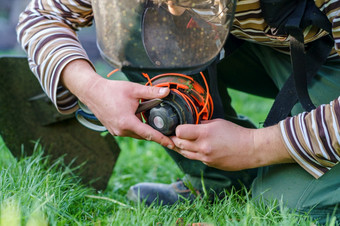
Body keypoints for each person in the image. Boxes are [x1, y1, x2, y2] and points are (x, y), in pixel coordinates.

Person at [17, 0, 340, 223]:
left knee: (291, 206)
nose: (170, 8)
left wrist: (256, 147)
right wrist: (92, 88)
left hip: (330, 55)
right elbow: (40, 17)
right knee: (140, 30)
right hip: (255, 42)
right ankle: (218, 179)